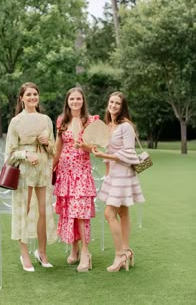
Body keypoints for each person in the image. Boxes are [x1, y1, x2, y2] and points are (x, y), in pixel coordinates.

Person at [5, 82, 57, 272]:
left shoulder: (46, 120)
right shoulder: (16, 122)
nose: (32, 97)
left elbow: (53, 150)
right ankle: (24, 253)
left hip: (43, 169)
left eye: (35, 94)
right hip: (24, 172)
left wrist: (46, 143)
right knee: (24, 211)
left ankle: (42, 253)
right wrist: (25, 155)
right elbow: (9, 155)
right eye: (28, 95)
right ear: (21, 98)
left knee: (44, 211)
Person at [92, 91, 145, 272]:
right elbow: (108, 155)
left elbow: (129, 153)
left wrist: (104, 155)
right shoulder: (109, 126)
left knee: (109, 213)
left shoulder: (126, 126)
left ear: (122, 108)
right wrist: (107, 172)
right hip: (113, 175)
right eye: (112, 102)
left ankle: (120, 254)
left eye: (118, 104)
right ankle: (126, 250)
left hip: (124, 174)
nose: (114, 105)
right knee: (122, 212)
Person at [53, 87, 99, 272]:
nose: (75, 102)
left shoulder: (91, 121)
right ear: (67, 101)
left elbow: (95, 150)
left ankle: (86, 252)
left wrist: (84, 145)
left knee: (80, 213)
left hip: (81, 172)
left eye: (78, 99)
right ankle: (74, 249)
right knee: (69, 212)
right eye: (72, 99)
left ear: (83, 101)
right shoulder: (61, 121)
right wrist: (51, 169)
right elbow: (58, 149)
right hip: (65, 173)